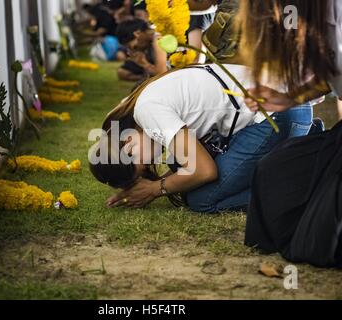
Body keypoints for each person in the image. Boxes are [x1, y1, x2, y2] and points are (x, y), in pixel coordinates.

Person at [89, 64, 313, 212]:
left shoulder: (147, 112)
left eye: (144, 163)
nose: (152, 164)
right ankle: (304, 147)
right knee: (180, 169)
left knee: (201, 199)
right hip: (285, 108)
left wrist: (154, 189)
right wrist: (157, 185)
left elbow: (203, 170)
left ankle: (305, 185)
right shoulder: (141, 104)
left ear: (128, 144)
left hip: (279, 114)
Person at [237, 0, 342, 268]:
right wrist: (286, 98)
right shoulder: (316, 26)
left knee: (319, 238)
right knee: (273, 170)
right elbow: (332, 73)